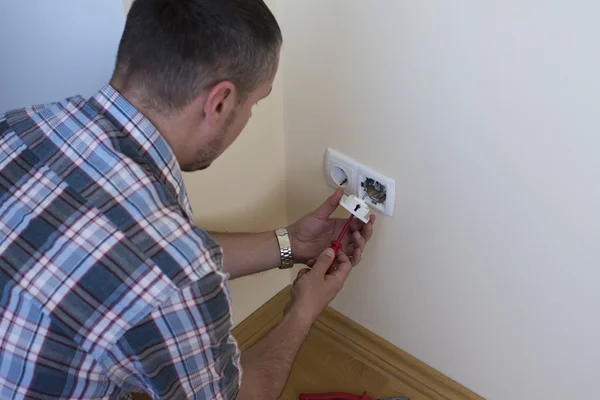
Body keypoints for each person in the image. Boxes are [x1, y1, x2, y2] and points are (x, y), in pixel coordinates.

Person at [0, 0, 376, 399]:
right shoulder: (175, 268)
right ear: (220, 103)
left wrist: (291, 244)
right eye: (256, 103)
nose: (251, 116)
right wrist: (302, 311)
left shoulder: (22, 126)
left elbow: (144, 259)